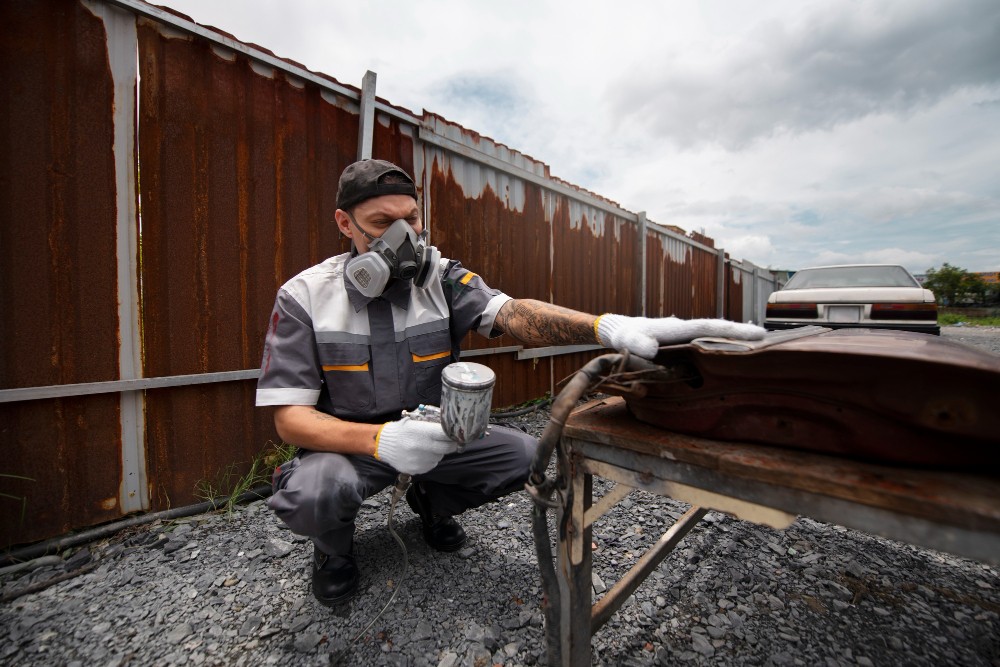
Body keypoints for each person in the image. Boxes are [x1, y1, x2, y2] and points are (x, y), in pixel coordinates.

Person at [256, 159, 765, 606]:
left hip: (437, 433)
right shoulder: (305, 297)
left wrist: (603, 326)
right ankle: (334, 551)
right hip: (352, 445)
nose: (404, 237)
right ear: (345, 224)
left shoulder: (441, 278)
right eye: (382, 224)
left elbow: (515, 314)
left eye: (411, 219)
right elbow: (289, 419)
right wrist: (379, 440)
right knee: (315, 491)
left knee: (525, 457)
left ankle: (431, 504)